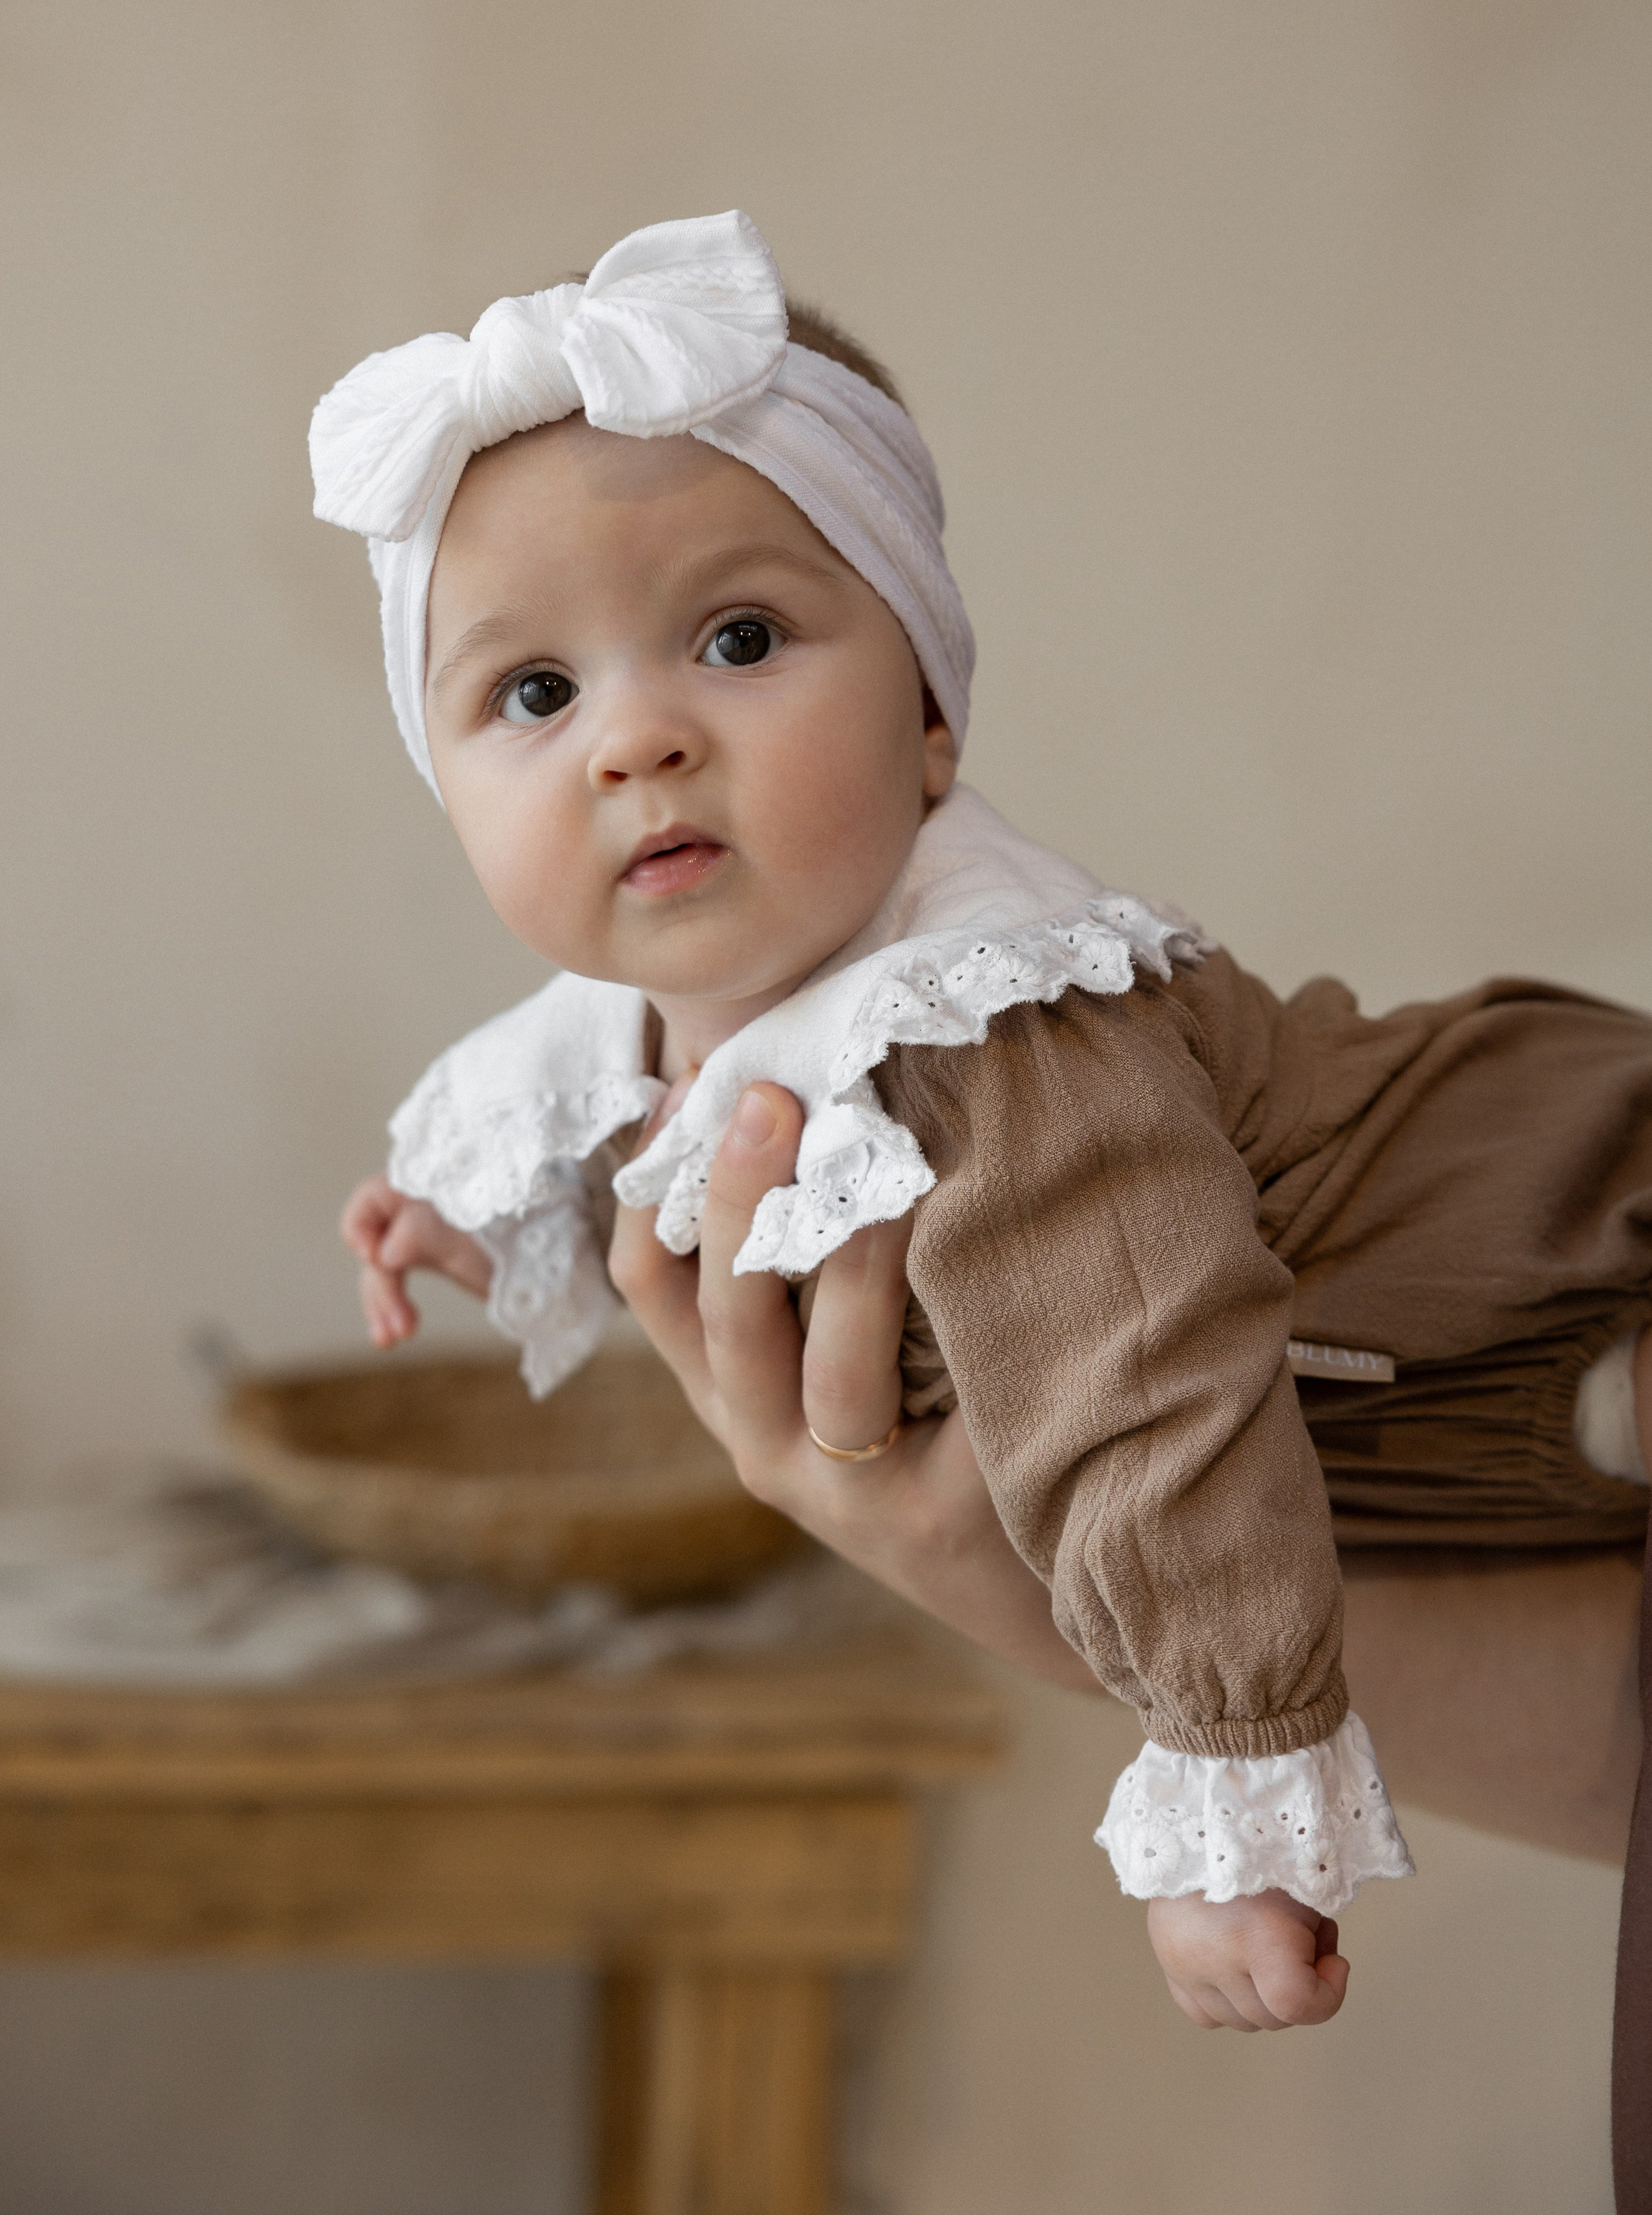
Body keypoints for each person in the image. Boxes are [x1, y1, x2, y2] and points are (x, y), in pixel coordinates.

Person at [312, 213, 1652, 2078]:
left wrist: (1238, 1777)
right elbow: (637, 1134)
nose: (638, 740)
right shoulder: (671, 1023)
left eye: (739, 638)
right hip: (1513, 1432)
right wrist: (472, 1213)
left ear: (932, 718)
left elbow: (1151, 1395)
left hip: (1575, 1224)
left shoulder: (987, 1024)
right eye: (534, 693)